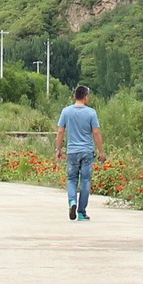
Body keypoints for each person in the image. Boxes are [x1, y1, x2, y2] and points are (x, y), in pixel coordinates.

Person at [55, 84, 102, 220]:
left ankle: (72, 202)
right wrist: (101, 151)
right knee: (86, 180)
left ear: (75, 96)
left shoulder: (66, 112)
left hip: (72, 152)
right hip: (87, 151)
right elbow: (96, 132)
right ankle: (81, 212)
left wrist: (58, 149)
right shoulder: (91, 113)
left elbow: (60, 131)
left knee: (71, 179)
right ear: (85, 97)